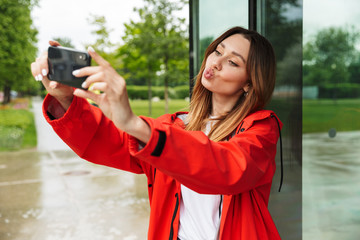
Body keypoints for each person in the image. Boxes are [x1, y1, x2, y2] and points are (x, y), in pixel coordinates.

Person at [31, 26, 283, 240]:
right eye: (217, 51)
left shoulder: (261, 129)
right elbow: (110, 141)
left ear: (249, 83)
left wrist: (135, 123)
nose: (215, 63)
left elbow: (227, 167)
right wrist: (64, 98)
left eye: (232, 61)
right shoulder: (177, 126)